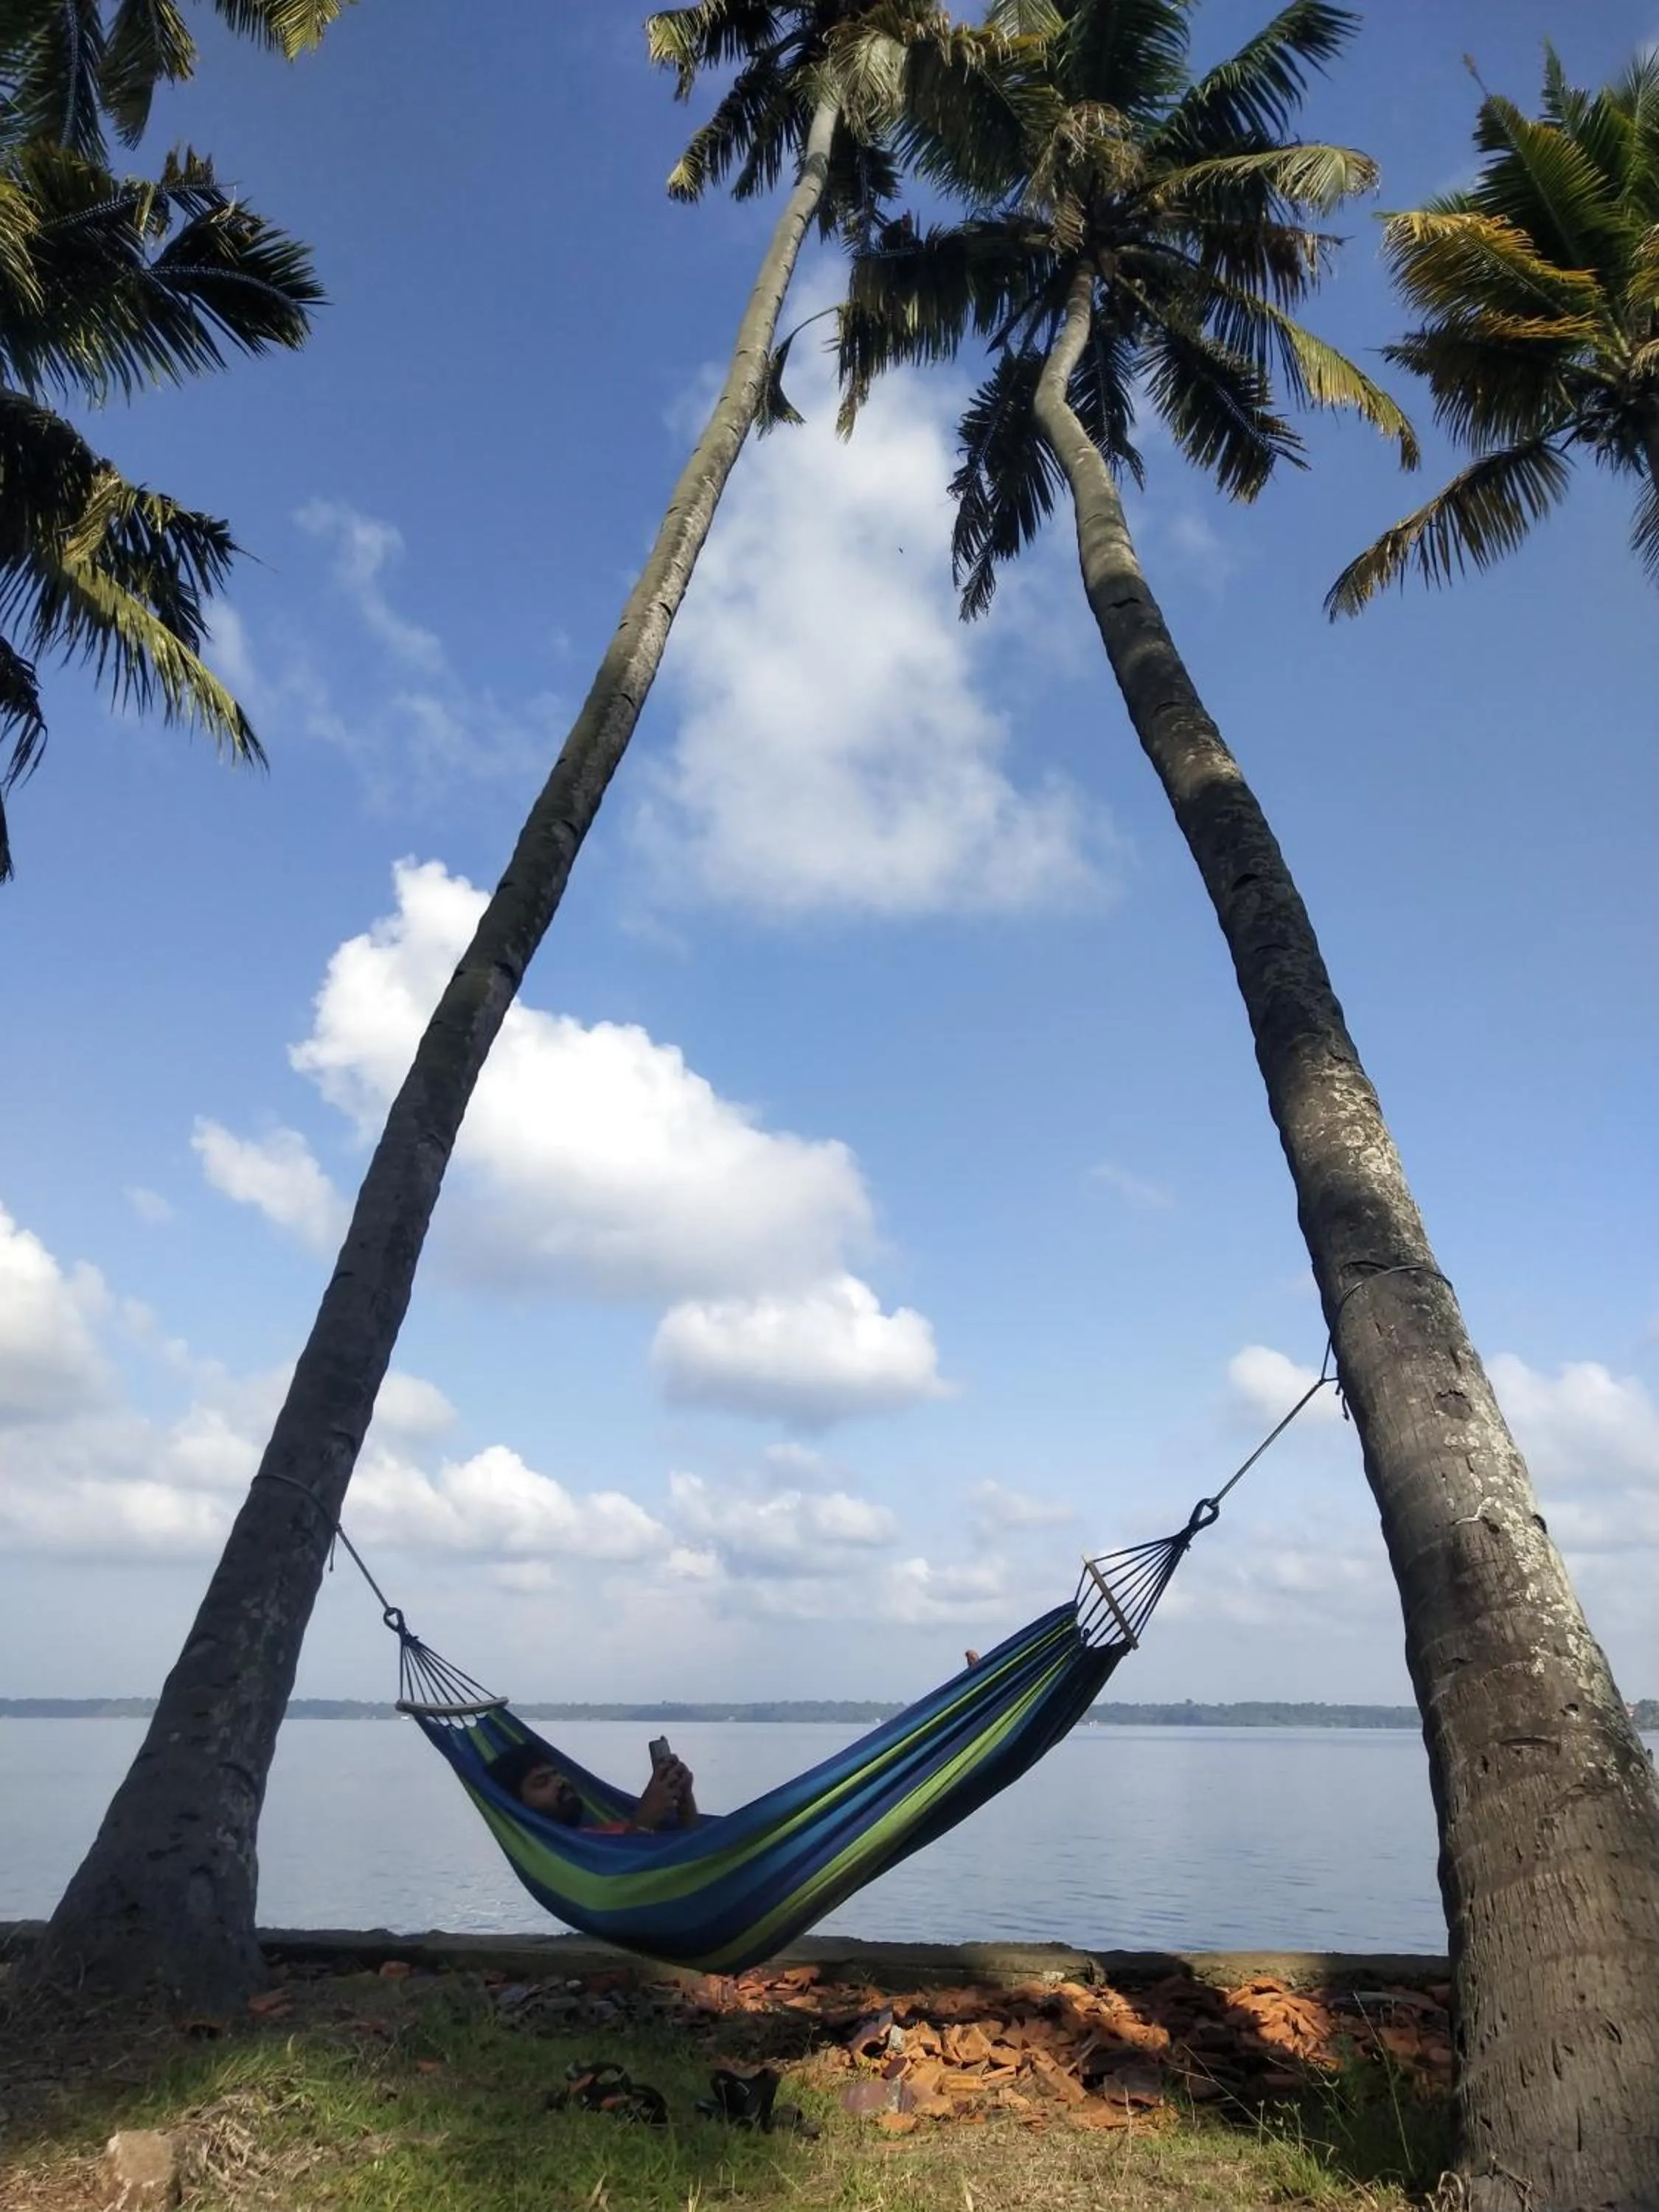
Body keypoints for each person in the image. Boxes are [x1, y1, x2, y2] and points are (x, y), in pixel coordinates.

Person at [486, 1739, 699, 1833]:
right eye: (542, 1782)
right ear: (516, 1806)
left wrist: (684, 1802)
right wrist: (644, 1819)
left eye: (556, 1774)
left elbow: (689, 1855)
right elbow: (619, 1884)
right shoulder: (567, 1856)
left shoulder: (598, 1833)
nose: (560, 1782)